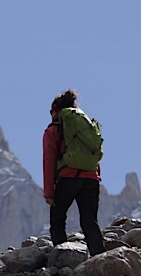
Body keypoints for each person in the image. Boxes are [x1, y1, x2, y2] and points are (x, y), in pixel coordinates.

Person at [43, 88, 106, 255]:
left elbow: (48, 161)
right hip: (91, 177)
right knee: (89, 220)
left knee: (57, 218)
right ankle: (99, 256)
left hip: (68, 178)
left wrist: (49, 193)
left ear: (55, 110)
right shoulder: (84, 126)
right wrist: (95, 176)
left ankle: (62, 257)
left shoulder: (54, 130)